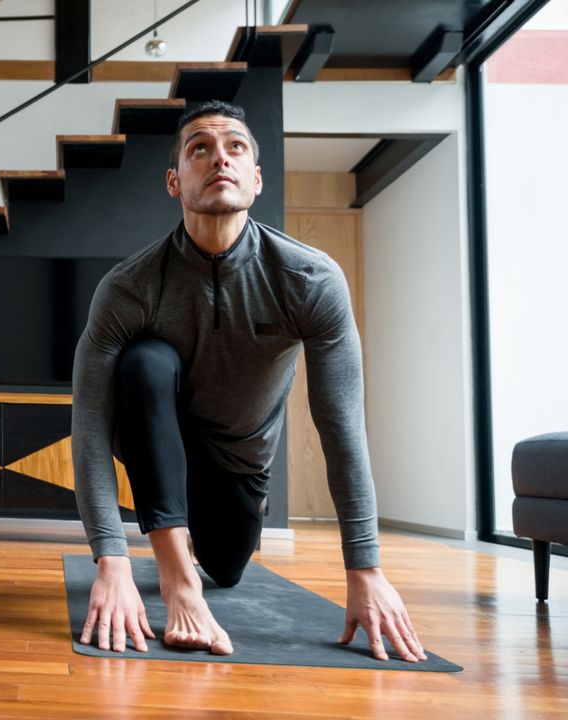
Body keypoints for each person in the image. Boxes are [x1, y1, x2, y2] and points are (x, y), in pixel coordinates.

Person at [72, 100, 426, 662]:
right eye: (199, 149)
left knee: (228, 570)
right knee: (145, 360)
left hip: (239, 470)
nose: (219, 159)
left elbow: (341, 425)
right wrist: (111, 558)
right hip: (152, 439)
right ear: (174, 181)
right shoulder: (130, 287)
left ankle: (199, 546)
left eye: (235, 147)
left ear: (256, 179)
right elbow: (90, 426)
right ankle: (176, 577)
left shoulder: (309, 279)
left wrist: (366, 567)